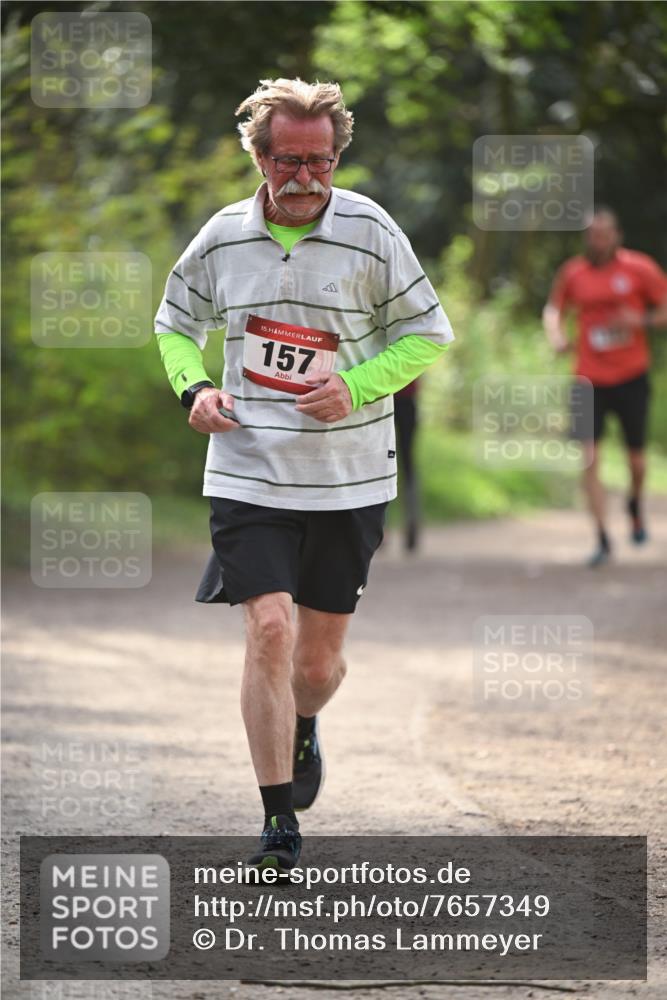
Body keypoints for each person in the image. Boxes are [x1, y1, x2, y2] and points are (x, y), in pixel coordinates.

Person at [154, 79, 453, 871]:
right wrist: (196, 387)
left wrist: (354, 385)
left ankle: (305, 721)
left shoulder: (371, 230)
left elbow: (429, 333)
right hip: (249, 468)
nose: (306, 176)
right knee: (268, 630)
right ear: (258, 156)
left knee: (315, 666)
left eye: (320, 161)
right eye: (289, 160)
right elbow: (174, 322)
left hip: (349, 475)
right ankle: (277, 821)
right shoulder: (221, 237)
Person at [543, 208, 667, 567]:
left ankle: (634, 503)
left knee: (638, 462)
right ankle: (602, 538)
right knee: (590, 458)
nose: (599, 240)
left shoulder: (639, 268)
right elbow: (554, 308)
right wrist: (556, 335)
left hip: (631, 376)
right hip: (587, 378)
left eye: (605, 233)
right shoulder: (573, 272)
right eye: (593, 234)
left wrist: (639, 319)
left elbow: (664, 309)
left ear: (617, 235)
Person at [393, 379, 421, 551]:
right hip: (380, 397)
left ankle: (412, 524)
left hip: (403, 398)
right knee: (406, 465)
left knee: (407, 466)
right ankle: (381, 526)